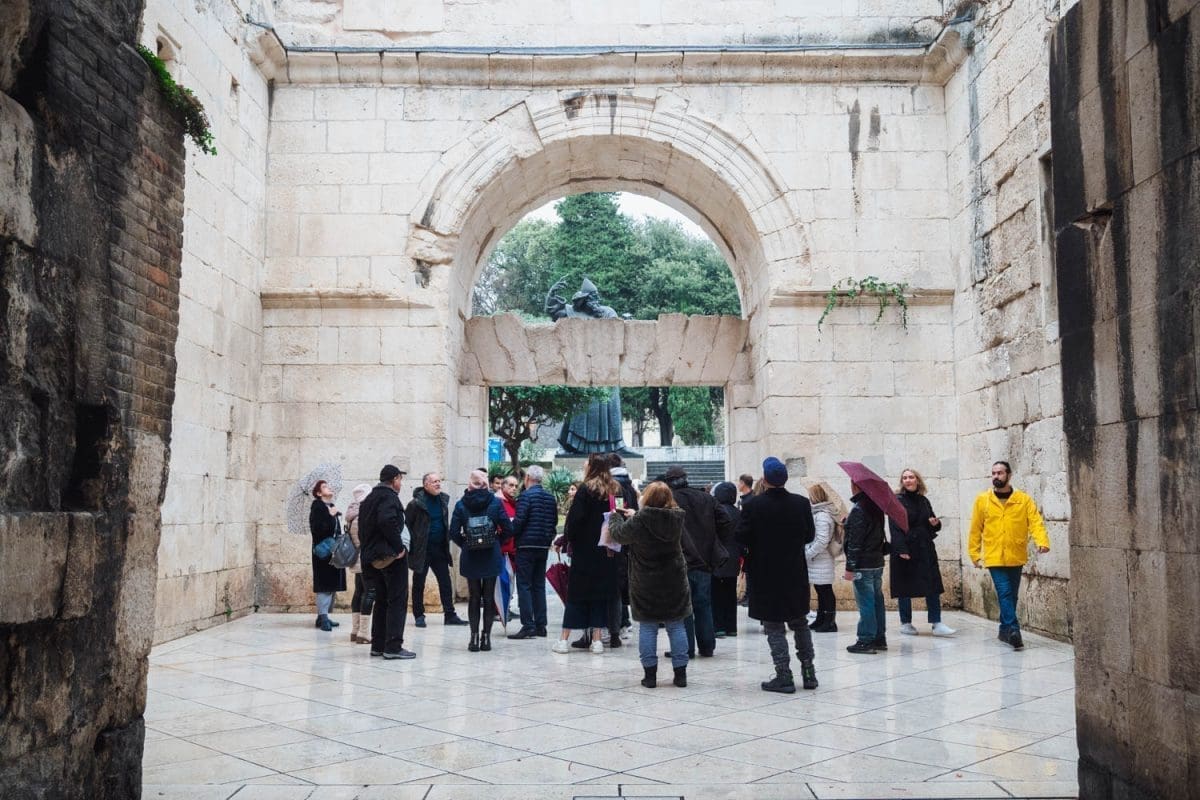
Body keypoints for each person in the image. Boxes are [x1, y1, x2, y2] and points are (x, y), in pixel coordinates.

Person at [737, 457, 818, 692]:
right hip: (794, 572)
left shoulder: (754, 505)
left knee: (774, 625)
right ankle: (809, 672)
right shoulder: (801, 503)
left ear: (765, 479)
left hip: (766, 574)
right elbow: (810, 535)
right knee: (800, 622)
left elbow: (741, 536)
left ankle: (784, 675)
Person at [608, 482, 691, 688]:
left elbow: (619, 535)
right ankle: (680, 675)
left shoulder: (641, 520)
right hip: (674, 580)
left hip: (646, 582)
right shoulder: (676, 517)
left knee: (648, 627)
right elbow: (655, 521)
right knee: (676, 625)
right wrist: (635, 515)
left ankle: (650, 676)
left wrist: (615, 517)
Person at [968, 461, 1050, 650]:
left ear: (1009, 475)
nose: (996, 476)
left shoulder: (1023, 499)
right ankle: (1014, 631)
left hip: (1016, 554)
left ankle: (1004, 630)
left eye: (1000, 473)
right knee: (1004, 592)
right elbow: (975, 529)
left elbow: (1035, 521)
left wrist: (1042, 541)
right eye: (993, 473)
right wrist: (974, 554)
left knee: (1012, 596)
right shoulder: (983, 500)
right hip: (994, 555)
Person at [552, 454, 620, 655]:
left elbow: (575, 521)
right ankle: (597, 640)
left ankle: (563, 640)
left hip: (584, 551)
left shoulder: (585, 490)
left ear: (592, 468)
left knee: (576, 595)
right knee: (599, 596)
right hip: (605, 551)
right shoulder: (613, 490)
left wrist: (567, 539)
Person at [663, 465, 732, 659]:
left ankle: (686, 648)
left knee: (683, 606)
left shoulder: (669, 501)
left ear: (669, 482)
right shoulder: (706, 498)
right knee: (703, 604)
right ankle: (707, 646)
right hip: (704, 559)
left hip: (678, 560)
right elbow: (725, 521)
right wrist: (715, 542)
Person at [449, 470, 513, 652]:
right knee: (489, 596)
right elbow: (508, 529)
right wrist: (496, 542)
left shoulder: (461, 504)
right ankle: (486, 638)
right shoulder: (495, 502)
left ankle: (474, 638)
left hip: (471, 556)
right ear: (485, 483)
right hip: (491, 554)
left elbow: (453, 532)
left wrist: (466, 544)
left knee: (474, 597)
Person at [357, 465, 415, 659]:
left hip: (371, 558)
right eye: (400, 480)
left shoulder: (368, 499)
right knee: (397, 600)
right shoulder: (389, 497)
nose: (401, 484)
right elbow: (386, 521)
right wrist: (398, 547)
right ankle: (393, 646)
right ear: (395, 479)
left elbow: (362, 530)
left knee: (381, 600)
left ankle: (378, 645)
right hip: (390, 558)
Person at [892, 468, 956, 637]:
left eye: (911, 477)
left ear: (917, 480)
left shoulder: (923, 500)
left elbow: (931, 522)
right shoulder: (897, 501)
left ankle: (937, 623)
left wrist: (935, 523)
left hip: (924, 547)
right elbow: (894, 527)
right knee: (905, 586)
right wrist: (901, 549)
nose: (908, 480)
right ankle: (905, 623)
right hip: (906, 548)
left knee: (932, 584)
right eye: (904, 478)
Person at [406, 472, 468, 629]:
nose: (438, 484)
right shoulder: (415, 504)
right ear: (425, 485)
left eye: (439, 481)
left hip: (440, 548)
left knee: (445, 582)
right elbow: (407, 526)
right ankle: (419, 615)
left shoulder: (443, 500)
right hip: (422, 550)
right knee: (419, 583)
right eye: (434, 481)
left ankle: (450, 615)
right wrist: (413, 547)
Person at [509, 465, 557, 639]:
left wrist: (510, 531)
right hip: (543, 547)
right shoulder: (550, 498)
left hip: (526, 546)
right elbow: (553, 522)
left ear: (528, 477)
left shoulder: (525, 496)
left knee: (524, 585)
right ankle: (541, 625)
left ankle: (528, 625)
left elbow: (519, 521)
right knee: (538, 585)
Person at [843, 481, 887, 655]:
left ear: (856, 486)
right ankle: (879, 638)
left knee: (866, 602)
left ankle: (866, 640)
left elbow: (855, 543)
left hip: (863, 565)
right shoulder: (877, 507)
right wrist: (848, 523)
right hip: (876, 562)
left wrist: (850, 567)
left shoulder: (858, 509)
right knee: (877, 601)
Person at [309, 480, 346, 632]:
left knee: (331, 585)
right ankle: (323, 617)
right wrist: (330, 516)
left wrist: (334, 514)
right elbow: (318, 530)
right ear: (319, 493)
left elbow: (335, 530)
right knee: (324, 585)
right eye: (324, 487)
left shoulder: (330, 506)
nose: (328, 487)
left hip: (333, 551)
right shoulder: (317, 508)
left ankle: (322, 616)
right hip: (323, 553)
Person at [711, 481, 742, 638]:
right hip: (734, 556)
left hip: (717, 556)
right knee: (730, 593)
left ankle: (719, 626)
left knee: (716, 593)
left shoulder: (715, 512)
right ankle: (731, 627)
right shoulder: (738, 513)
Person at [806, 483, 839, 633]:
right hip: (818, 559)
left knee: (825, 590)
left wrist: (808, 553)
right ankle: (821, 618)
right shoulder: (819, 513)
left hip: (821, 559)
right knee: (820, 589)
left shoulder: (822, 516)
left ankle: (830, 622)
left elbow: (822, 540)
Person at [345, 483, 373, 643]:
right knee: (369, 592)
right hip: (365, 558)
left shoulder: (352, 513)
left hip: (356, 558)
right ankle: (363, 632)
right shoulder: (363, 515)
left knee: (359, 592)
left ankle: (355, 631)